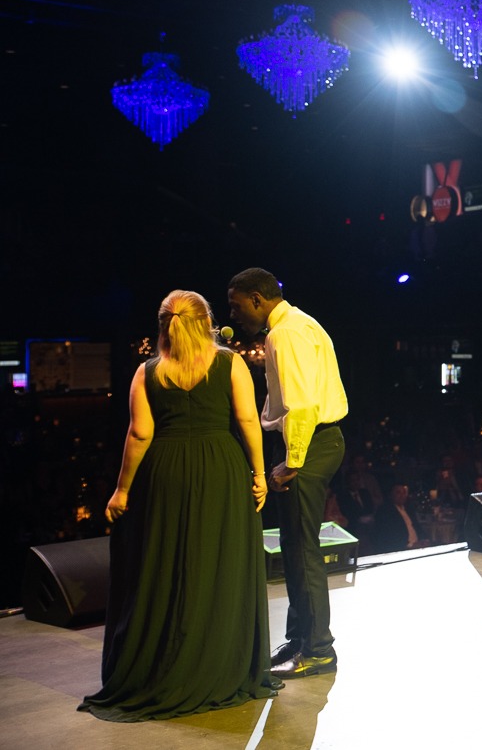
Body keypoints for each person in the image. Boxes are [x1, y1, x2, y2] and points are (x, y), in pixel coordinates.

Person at [80, 290, 279, 721]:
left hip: (164, 472)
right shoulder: (230, 362)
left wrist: (121, 491)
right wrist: (259, 474)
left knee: (164, 563)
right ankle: (217, 662)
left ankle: (164, 664)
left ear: (163, 325)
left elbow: (139, 435)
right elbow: (248, 420)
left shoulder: (148, 371)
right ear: (206, 321)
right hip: (220, 469)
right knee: (217, 563)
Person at [227, 268, 348, 679]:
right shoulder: (301, 323)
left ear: (258, 298)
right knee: (296, 548)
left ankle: (318, 650)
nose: (235, 313)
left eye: (237, 304)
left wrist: (292, 461)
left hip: (308, 444)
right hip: (319, 441)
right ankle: (300, 640)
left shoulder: (285, 334)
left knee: (302, 549)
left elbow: (301, 405)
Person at [376, 482, 423, 552]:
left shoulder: (408, 509)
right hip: (402, 548)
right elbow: (389, 536)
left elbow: (417, 526)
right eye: (398, 493)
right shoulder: (385, 511)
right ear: (391, 495)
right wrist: (410, 545)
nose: (402, 496)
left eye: (404, 493)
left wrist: (425, 540)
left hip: (418, 545)